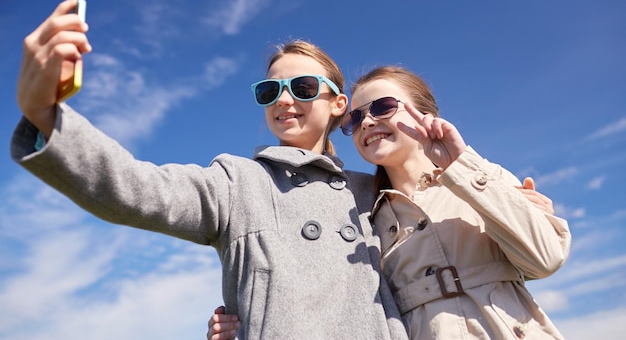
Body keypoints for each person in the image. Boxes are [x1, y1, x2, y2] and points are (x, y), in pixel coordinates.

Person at [11, 0, 409, 339]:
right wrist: (46, 114)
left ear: (338, 104)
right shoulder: (237, 182)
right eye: (270, 91)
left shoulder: (372, 190)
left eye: (303, 88)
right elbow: (138, 189)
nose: (284, 100)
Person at [208, 66, 570, 340]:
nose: (368, 121)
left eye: (382, 107)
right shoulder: (364, 218)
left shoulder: (480, 180)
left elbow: (546, 258)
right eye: (357, 117)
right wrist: (244, 320)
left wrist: (463, 167)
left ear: (425, 113)